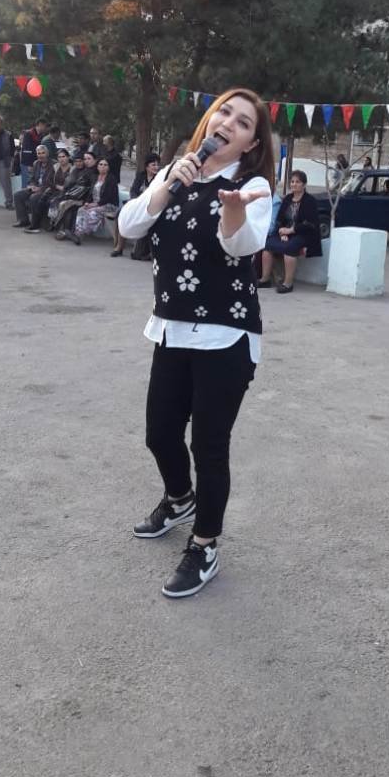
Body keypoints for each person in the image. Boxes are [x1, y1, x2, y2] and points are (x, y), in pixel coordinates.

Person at [118, 88, 274, 599]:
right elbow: (130, 225)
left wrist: (232, 210)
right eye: (225, 112)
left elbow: (242, 245)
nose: (229, 122)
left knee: (208, 446)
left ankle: (204, 545)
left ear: (252, 144)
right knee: (160, 433)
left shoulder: (253, 187)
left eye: (244, 122)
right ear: (210, 119)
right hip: (172, 328)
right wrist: (167, 185)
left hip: (226, 336)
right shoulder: (175, 171)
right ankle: (179, 499)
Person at [258, 170, 321, 294]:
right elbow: (280, 219)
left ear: (304, 184)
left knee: (290, 248)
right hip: (286, 232)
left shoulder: (310, 201)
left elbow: (310, 224)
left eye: (298, 182)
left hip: (303, 234)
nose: (294, 184)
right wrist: (282, 233)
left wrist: (291, 230)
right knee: (267, 245)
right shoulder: (287, 199)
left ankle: (288, 283)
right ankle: (265, 279)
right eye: (292, 182)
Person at [111, 151, 160, 259]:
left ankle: (146, 250)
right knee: (121, 213)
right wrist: (135, 201)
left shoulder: (159, 178)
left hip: (151, 207)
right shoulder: (140, 176)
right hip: (137, 203)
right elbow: (133, 190)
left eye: (157, 165)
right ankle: (119, 247)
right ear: (147, 166)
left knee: (137, 254)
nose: (156, 167)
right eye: (153, 165)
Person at [67, 156, 120, 245]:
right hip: (96, 204)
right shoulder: (95, 177)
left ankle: (78, 234)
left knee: (92, 212)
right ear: (97, 166)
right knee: (81, 209)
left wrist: (96, 204)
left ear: (108, 167)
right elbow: (91, 193)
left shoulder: (111, 179)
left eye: (105, 165)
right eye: (101, 164)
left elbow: (109, 197)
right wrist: (88, 202)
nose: (103, 166)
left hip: (108, 205)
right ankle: (77, 234)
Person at [55, 150, 98, 238]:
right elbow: (69, 184)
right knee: (64, 204)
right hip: (75, 196)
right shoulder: (77, 171)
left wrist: (87, 201)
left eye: (88, 159)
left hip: (85, 199)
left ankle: (67, 231)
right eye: (85, 159)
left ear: (95, 160)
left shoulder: (93, 172)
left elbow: (92, 189)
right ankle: (64, 230)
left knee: (70, 206)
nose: (86, 161)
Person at [13, 145, 55, 231]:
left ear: (47, 154)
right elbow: (32, 178)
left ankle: (35, 224)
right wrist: (31, 186)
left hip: (47, 189)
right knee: (17, 195)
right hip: (36, 187)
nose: (41, 155)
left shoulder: (54, 164)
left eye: (43, 153)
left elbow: (53, 182)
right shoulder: (36, 163)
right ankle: (23, 220)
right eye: (39, 153)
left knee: (33, 198)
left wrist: (40, 189)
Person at [18, 117, 49, 188]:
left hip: (35, 164)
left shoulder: (40, 135)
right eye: (45, 126)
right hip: (27, 164)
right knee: (26, 185)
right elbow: (26, 150)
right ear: (40, 124)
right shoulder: (29, 134)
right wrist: (29, 164)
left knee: (33, 184)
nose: (45, 128)